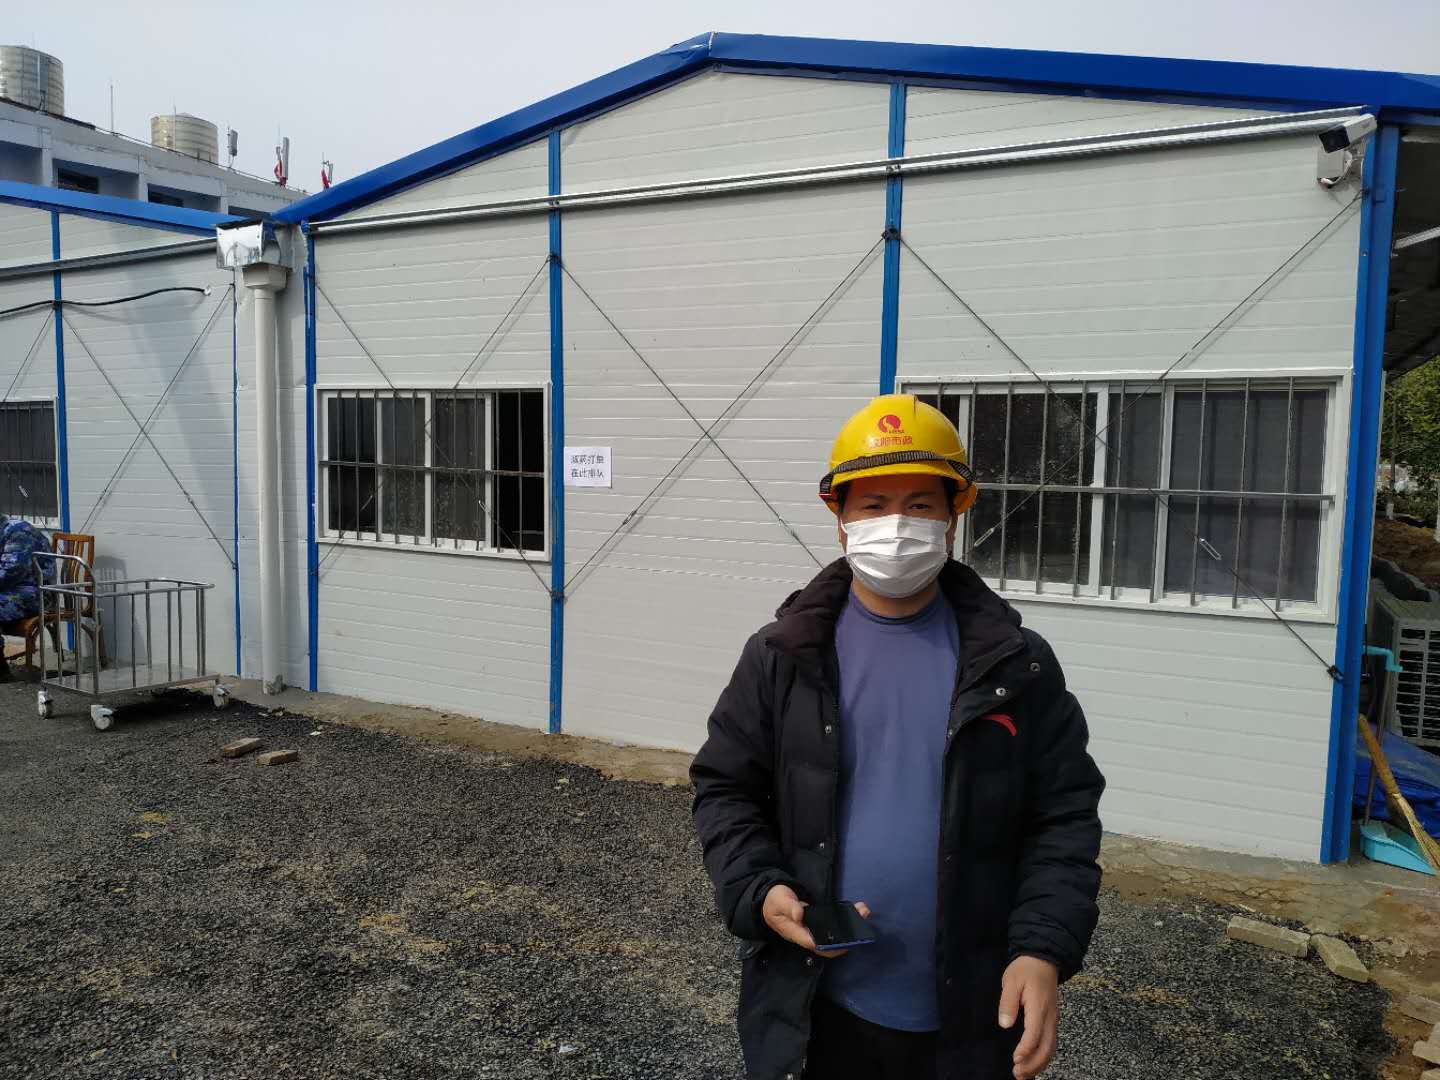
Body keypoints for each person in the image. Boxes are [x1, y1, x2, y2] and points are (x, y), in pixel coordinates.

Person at [691, 394, 1106, 1080]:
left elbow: (1063, 816)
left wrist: (1041, 948)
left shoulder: (1017, 665)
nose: (896, 525)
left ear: (952, 518)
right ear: (841, 520)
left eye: (919, 504)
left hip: (971, 1016)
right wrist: (761, 889)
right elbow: (725, 789)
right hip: (815, 1008)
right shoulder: (782, 656)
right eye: (874, 504)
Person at [0, 514, 52, 682]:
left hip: (36, 593)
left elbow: (11, 572)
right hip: (10, 590)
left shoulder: (19, 532)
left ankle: (1, 670)